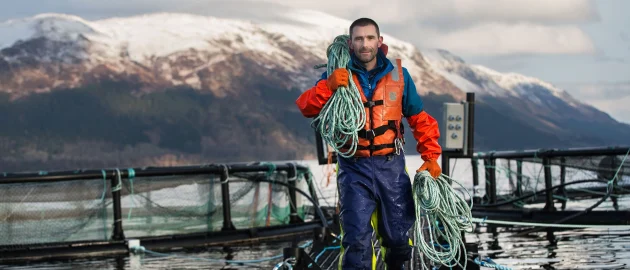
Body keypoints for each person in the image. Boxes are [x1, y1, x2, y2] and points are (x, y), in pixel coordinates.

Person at [295, 17, 442, 270]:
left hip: (391, 166)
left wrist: (430, 156)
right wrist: (328, 87)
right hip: (353, 168)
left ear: (379, 41)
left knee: (397, 238)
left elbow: (420, 118)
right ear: (351, 44)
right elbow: (306, 106)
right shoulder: (335, 74)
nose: (365, 44)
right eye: (359, 39)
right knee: (356, 241)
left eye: (370, 38)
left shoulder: (400, 75)